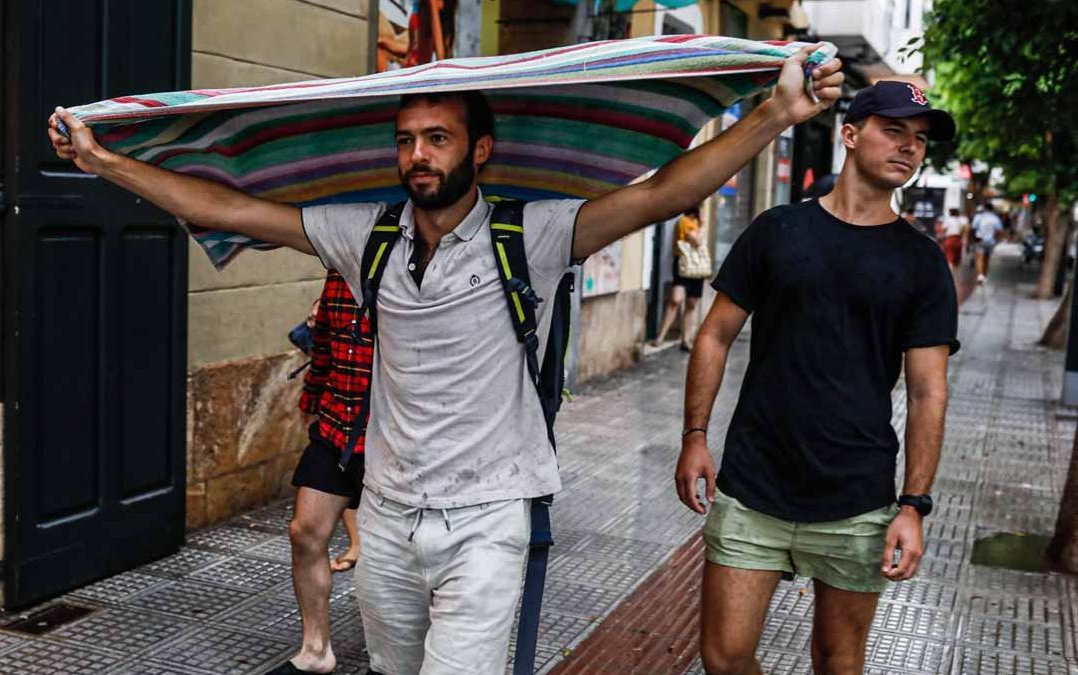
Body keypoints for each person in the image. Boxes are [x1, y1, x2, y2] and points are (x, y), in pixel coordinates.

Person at [48, 46, 843, 675]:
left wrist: (776, 112)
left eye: (437, 139)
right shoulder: (370, 236)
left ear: (481, 149)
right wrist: (105, 163)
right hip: (388, 515)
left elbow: (662, 194)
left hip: (488, 517)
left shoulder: (529, 236)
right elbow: (225, 207)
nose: (418, 156)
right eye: (406, 141)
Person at [674, 80, 958, 675]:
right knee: (724, 657)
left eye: (920, 140)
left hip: (856, 497)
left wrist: (914, 506)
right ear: (850, 135)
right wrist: (695, 437)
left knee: (837, 660)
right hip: (754, 484)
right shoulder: (778, 229)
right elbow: (715, 334)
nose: (909, 147)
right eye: (894, 130)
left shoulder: (922, 262)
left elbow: (930, 391)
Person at [275, 271, 373, 675]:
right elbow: (326, 346)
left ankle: (409, 657)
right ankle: (316, 652)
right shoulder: (338, 274)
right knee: (305, 530)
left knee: (401, 555)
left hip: (397, 437)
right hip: (336, 428)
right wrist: (312, 400)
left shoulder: (417, 267)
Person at [653, 207, 708, 350]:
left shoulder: (696, 223)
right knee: (675, 300)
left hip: (697, 267)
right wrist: (703, 225)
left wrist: (701, 225)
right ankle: (661, 336)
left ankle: (686, 339)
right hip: (683, 264)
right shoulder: (684, 222)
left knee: (692, 303)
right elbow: (697, 241)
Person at [971, 202, 1003, 284]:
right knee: (987, 258)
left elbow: (973, 228)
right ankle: (984, 275)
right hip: (990, 241)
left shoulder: (979, 217)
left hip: (980, 240)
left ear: (984, 208)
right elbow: (999, 230)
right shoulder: (995, 218)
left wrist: (972, 239)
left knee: (980, 258)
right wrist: (996, 240)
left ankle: (980, 276)